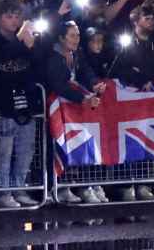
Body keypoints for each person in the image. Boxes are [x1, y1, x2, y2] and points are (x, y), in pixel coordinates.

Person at [0, 0, 42, 208]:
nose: (14, 21)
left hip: (25, 102)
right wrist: (19, 40)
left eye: (17, 16)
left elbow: (37, 61)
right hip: (2, 103)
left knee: (26, 150)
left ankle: (19, 188)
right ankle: (2, 193)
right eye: (9, 16)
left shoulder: (27, 39)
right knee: (3, 151)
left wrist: (30, 44)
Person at [41, 21, 106, 204]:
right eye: (72, 35)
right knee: (54, 148)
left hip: (72, 111)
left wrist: (94, 83)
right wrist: (83, 98)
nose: (76, 39)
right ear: (61, 37)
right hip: (54, 111)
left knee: (72, 146)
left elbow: (86, 71)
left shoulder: (78, 53)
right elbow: (59, 85)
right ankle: (51, 188)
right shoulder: (52, 57)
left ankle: (67, 186)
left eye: (77, 35)